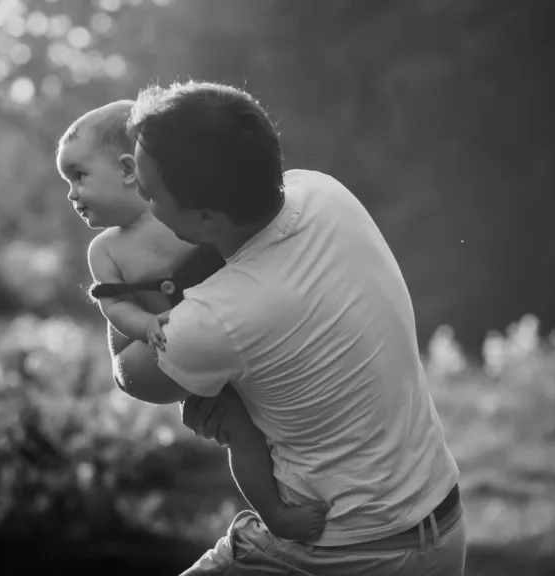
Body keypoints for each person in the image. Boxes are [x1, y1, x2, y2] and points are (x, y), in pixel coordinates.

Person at [106, 79, 466, 575]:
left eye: (148, 195)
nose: (144, 207)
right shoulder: (324, 192)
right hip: (441, 525)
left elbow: (131, 374)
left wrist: (118, 268)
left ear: (208, 216)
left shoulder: (213, 321)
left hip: (337, 551)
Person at [57, 100, 328, 542]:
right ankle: (276, 516)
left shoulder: (178, 212)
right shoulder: (105, 251)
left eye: (79, 176)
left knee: (278, 415)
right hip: (173, 350)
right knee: (240, 433)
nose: (71, 193)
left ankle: (309, 484)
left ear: (129, 170)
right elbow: (114, 307)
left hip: (235, 342)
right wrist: (145, 327)